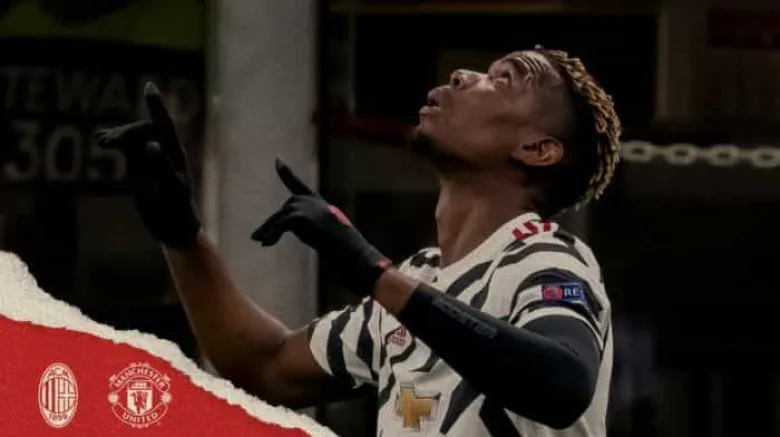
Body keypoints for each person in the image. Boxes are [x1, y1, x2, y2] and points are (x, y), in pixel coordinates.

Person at [96, 45, 622, 437]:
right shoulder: (419, 277)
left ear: (537, 148)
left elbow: (563, 384)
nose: (464, 75)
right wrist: (182, 238)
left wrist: (375, 274)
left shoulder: (547, 258)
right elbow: (266, 365)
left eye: (504, 79)